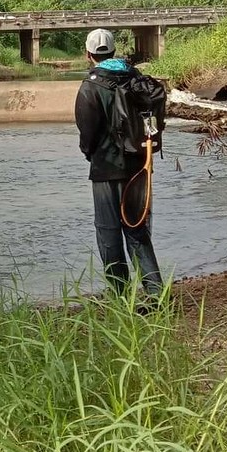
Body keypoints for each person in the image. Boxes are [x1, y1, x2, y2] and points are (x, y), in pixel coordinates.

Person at [74, 28, 164, 298]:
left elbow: (86, 133)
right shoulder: (137, 80)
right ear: (114, 51)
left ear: (88, 54)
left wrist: (90, 154)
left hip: (106, 169)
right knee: (137, 230)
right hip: (140, 165)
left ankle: (120, 295)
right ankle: (155, 292)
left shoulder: (90, 86)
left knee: (108, 232)